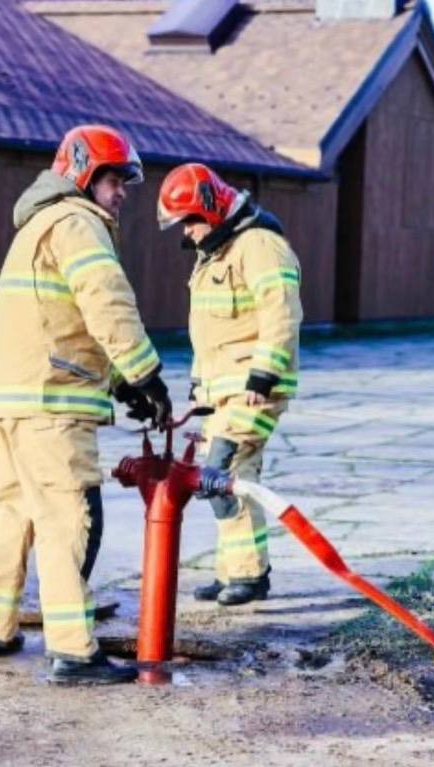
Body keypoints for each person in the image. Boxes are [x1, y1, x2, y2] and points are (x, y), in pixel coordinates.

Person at [0, 124, 171, 685]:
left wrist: (119, 384)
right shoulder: (78, 223)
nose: (123, 192)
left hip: (13, 398)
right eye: (114, 179)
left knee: (10, 511)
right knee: (69, 519)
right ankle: (74, 651)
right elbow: (106, 301)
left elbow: (57, 325)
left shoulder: (37, 225)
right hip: (52, 406)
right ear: (82, 172)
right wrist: (146, 374)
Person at [156, 163, 302, 606]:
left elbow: (282, 313)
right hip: (223, 391)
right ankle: (239, 573)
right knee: (228, 478)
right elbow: (212, 333)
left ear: (212, 209)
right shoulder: (216, 255)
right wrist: (199, 390)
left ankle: (248, 576)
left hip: (254, 386)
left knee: (223, 472)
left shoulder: (259, 245)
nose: (189, 233)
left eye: (191, 222)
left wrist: (264, 374)